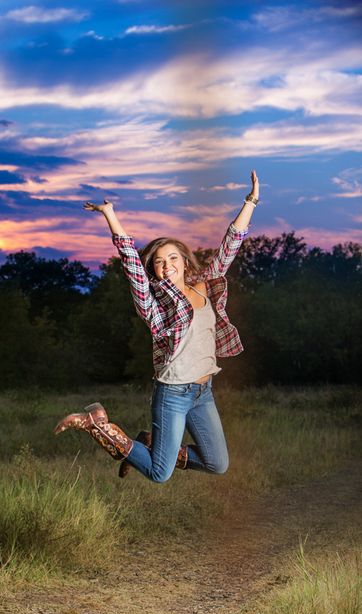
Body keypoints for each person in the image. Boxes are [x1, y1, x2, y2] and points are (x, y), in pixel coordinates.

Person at [54, 171, 259, 483]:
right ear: (154, 269)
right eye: (160, 262)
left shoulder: (204, 284)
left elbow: (230, 245)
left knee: (217, 463)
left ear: (185, 262)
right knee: (158, 473)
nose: (168, 265)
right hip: (173, 392)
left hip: (203, 391)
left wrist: (251, 201)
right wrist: (110, 215)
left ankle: (150, 445)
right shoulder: (154, 304)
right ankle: (96, 424)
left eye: (173, 258)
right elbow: (131, 263)